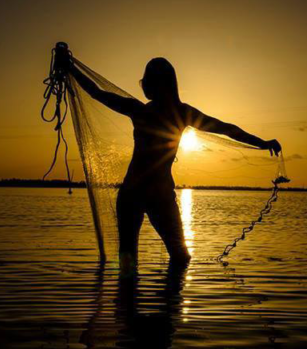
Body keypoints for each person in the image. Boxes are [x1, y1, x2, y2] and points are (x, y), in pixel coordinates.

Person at [68, 55, 281, 273]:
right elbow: (226, 128)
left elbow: (96, 92)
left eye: (147, 82)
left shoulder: (142, 110)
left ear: (154, 84)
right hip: (155, 194)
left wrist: (70, 69)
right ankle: (165, 303)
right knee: (177, 258)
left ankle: (130, 302)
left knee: (131, 259)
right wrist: (262, 143)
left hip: (137, 192)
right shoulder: (176, 112)